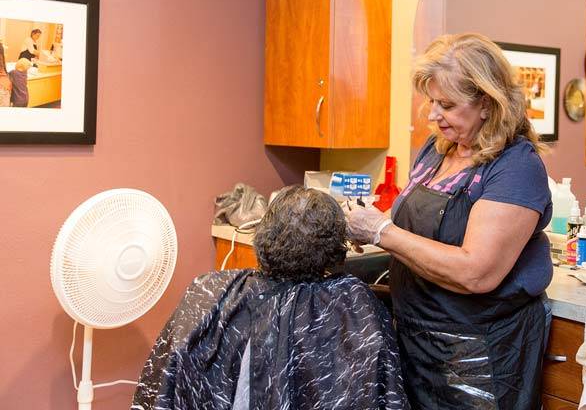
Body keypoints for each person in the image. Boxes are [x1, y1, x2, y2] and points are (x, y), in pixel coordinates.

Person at [346, 32, 554, 409]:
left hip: (477, 356)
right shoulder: (436, 150)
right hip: (417, 339)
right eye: (430, 101)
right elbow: (412, 223)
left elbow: (477, 271)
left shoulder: (516, 167)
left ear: (487, 104)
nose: (432, 115)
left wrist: (383, 232)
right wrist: (371, 226)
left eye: (446, 104)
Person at [132, 185, 408, 410]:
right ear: (336, 249)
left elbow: (164, 385)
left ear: (263, 233)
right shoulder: (353, 303)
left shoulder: (207, 289)